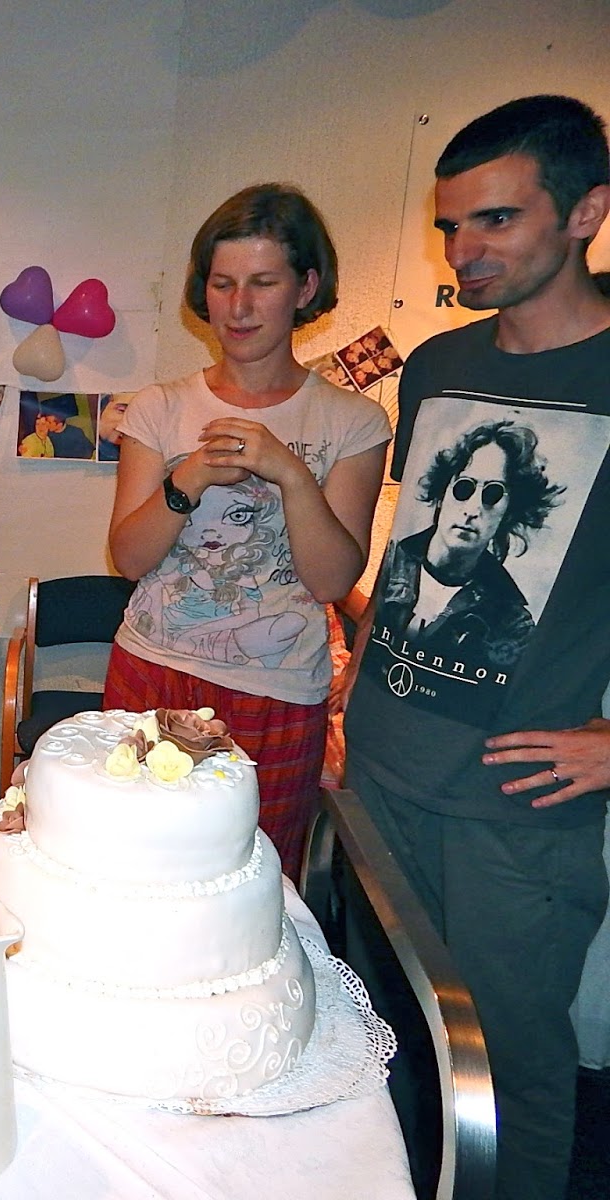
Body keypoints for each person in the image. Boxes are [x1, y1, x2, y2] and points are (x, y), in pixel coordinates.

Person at [340, 95, 610, 1200]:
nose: (464, 252)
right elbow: (411, 546)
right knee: (386, 1048)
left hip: (511, 807)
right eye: (451, 226)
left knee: (513, 1074)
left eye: (496, 220)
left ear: (586, 212)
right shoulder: (438, 363)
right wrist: (355, 674)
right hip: (379, 773)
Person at [105, 183, 390, 880]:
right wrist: (189, 477)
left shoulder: (352, 421)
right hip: (153, 667)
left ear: (306, 287)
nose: (238, 307)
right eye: (223, 283)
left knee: (252, 877)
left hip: (278, 687)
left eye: (263, 283)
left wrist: (289, 472)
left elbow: (330, 579)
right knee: (129, 864)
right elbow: (128, 558)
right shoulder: (159, 406)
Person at [377, 418, 563, 667]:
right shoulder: (393, 561)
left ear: (508, 513)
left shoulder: (511, 622)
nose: (473, 509)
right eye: (464, 488)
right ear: (442, 493)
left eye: (493, 493)